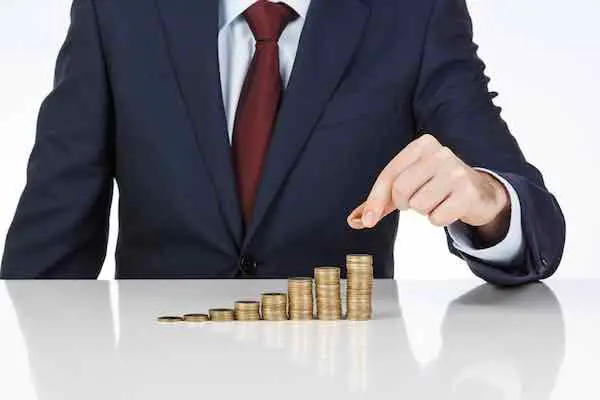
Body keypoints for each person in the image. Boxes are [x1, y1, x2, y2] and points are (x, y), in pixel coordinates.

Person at [0, 0, 565, 285]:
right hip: (155, 372)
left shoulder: (411, 14)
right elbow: (49, 246)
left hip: (342, 374)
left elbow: (534, 220)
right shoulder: (118, 10)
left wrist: (488, 201)